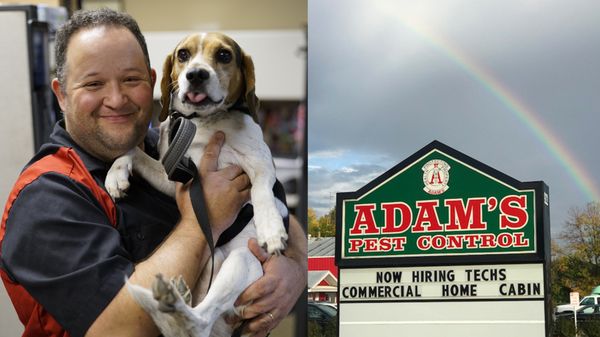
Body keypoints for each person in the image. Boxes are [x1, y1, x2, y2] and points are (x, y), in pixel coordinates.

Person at [0, 8, 306, 337]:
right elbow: (118, 331)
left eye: (131, 80)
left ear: (154, 81)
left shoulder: (164, 142)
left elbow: (274, 210)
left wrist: (296, 268)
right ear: (61, 95)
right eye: (93, 83)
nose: (116, 99)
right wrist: (203, 220)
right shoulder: (47, 197)